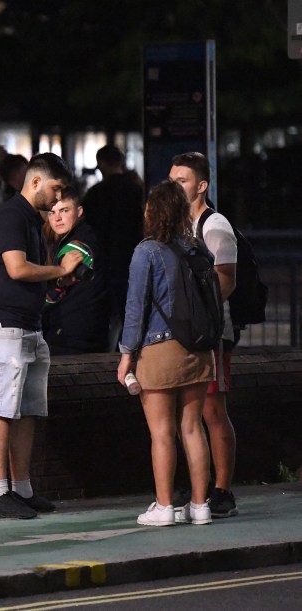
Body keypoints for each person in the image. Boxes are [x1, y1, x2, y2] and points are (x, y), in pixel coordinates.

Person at [0, 153, 83, 519]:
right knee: (2, 407)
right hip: (3, 325)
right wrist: (59, 270)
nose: (57, 198)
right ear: (35, 182)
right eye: (55, 188)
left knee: (28, 411)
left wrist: (56, 274)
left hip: (28, 324)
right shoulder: (10, 215)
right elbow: (16, 269)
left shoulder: (31, 219)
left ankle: (20, 488)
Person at [117, 180, 215, 526]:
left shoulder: (147, 252)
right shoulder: (197, 249)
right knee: (192, 428)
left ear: (152, 211)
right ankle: (201, 505)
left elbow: (135, 307)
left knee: (161, 432)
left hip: (159, 349)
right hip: (199, 350)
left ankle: (164, 506)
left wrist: (127, 355)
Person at [170, 151, 239, 518]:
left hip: (211, 333)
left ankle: (222, 489)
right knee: (189, 414)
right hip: (188, 333)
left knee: (213, 411)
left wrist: (196, 309)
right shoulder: (180, 226)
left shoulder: (215, 226)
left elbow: (226, 281)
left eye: (181, 180)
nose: (174, 185)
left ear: (201, 185)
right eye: (172, 178)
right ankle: (199, 485)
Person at [81, 144, 144, 350]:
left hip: (104, 264)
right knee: (132, 315)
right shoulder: (137, 191)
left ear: (101, 164)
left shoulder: (96, 194)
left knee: (106, 317)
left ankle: (108, 358)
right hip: (133, 261)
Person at [42, 187, 110, 354]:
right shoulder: (78, 236)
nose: (57, 218)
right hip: (78, 333)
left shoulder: (77, 247)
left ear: (79, 212)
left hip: (73, 339)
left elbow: (51, 295)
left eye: (64, 210)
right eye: (52, 213)